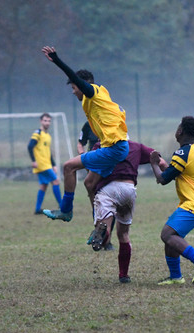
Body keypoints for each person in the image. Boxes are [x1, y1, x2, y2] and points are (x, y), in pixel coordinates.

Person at [41, 46, 129, 222]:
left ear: (82, 85)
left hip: (115, 149)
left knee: (68, 166)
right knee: (90, 184)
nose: (73, 91)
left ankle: (66, 211)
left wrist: (57, 60)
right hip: (114, 147)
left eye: (74, 87)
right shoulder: (95, 98)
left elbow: (76, 78)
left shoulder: (93, 92)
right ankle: (100, 225)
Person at [150, 116, 194, 285]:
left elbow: (163, 180)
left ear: (180, 131)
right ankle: (176, 277)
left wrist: (153, 164)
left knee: (167, 234)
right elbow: (177, 174)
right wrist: (164, 166)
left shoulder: (182, 153)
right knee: (172, 236)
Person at [87, 140, 163, 283]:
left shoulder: (100, 145)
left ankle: (104, 232)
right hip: (128, 190)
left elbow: (90, 173)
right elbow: (160, 161)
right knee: (123, 234)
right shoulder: (136, 146)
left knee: (103, 233)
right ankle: (124, 275)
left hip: (107, 190)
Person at [27, 113, 62, 214]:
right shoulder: (37, 133)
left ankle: (37, 209)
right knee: (56, 181)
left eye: (49, 121)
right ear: (41, 121)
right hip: (41, 164)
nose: (47, 123)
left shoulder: (47, 135)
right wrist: (33, 160)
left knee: (43, 185)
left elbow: (48, 152)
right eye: (45, 121)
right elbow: (30, 146)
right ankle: (62, 206)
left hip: (47, 164)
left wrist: (54, 164)